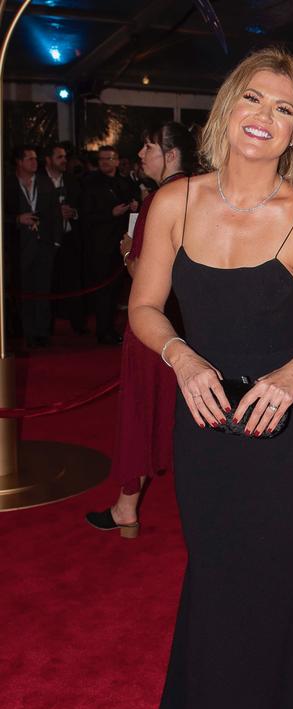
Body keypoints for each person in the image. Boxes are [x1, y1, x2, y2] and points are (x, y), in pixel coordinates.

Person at [129, 48, 293, 709]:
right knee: (216, 580)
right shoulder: (175, 201)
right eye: (254, 99)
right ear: (227, 106)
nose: (265, 117)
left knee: (280, 588)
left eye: (285, 109)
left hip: (285, 434)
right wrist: (181, 356)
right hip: (206, 424)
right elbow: (145, 307)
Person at [85, 122, 196, 538]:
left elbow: (144, 275)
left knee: (141, 414)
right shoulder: (198, 191)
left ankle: (125, 509)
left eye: (148, 147)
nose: (142, 155)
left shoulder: (160, 200)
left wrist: (129, 253)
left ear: (170, 154)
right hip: (189, 321)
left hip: (153, 324)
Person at [81, 145, 139, 344]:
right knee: (102, 292)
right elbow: (85, 216)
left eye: (108, 158)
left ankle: (110, 330)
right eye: (101, 159)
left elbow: (135, 203)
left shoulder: (125, 182)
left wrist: (134, 206)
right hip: (99, 245)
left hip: (122, 244)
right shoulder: (90, 183)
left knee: (115, 291)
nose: (104, 162)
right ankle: (103, 331)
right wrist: (110, 214)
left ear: (117, 160)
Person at [5, 145, 62, 348]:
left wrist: (56, 241)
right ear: (19, 162)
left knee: (43, 289)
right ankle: (26, 332)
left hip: (44, 244)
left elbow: (55, 212)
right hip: (18, 247)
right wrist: (18, 219)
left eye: (35, 158)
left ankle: (42, 332)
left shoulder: (44, 182)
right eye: (29, 159)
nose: (34, 162)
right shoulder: (7, 184)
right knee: (24, 290)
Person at [43, 142, 85, 335]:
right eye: (59, 157)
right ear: (48, 160)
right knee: (46, 284)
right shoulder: (38, 180)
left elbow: (83, 208)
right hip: (45, 241)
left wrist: (73, 213)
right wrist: (55, 213)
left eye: (65, 157)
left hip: (69, 239)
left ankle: (78, 324)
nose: (64, 160)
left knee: (74, 282)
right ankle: (45, 328)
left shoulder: (71, 180)